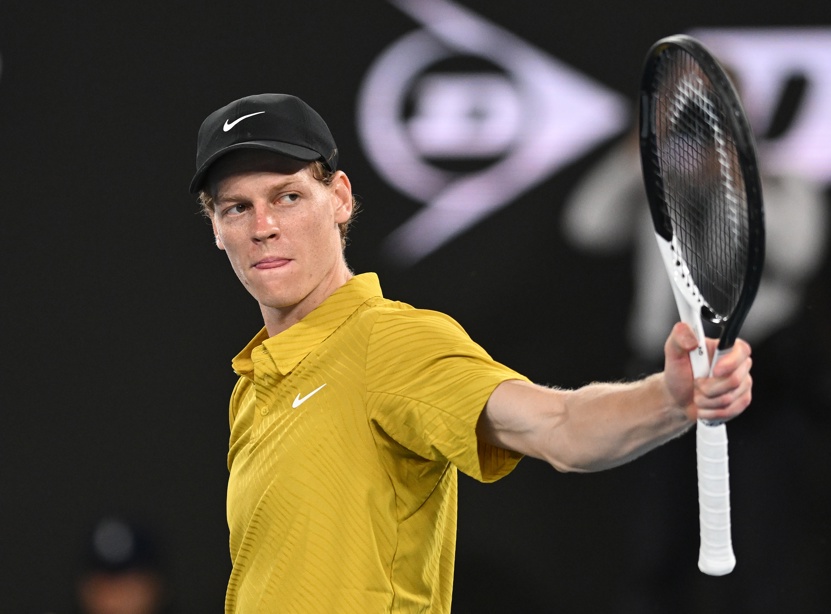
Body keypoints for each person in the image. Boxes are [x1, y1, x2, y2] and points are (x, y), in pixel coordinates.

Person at [189, 93, 753, 613]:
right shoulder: (255, 383)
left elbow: (558, 426)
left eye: (287, 197)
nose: (263, 226)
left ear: (339, 198)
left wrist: (669, 399)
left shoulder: (390, 343)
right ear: (214, 228)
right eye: (236, 208)